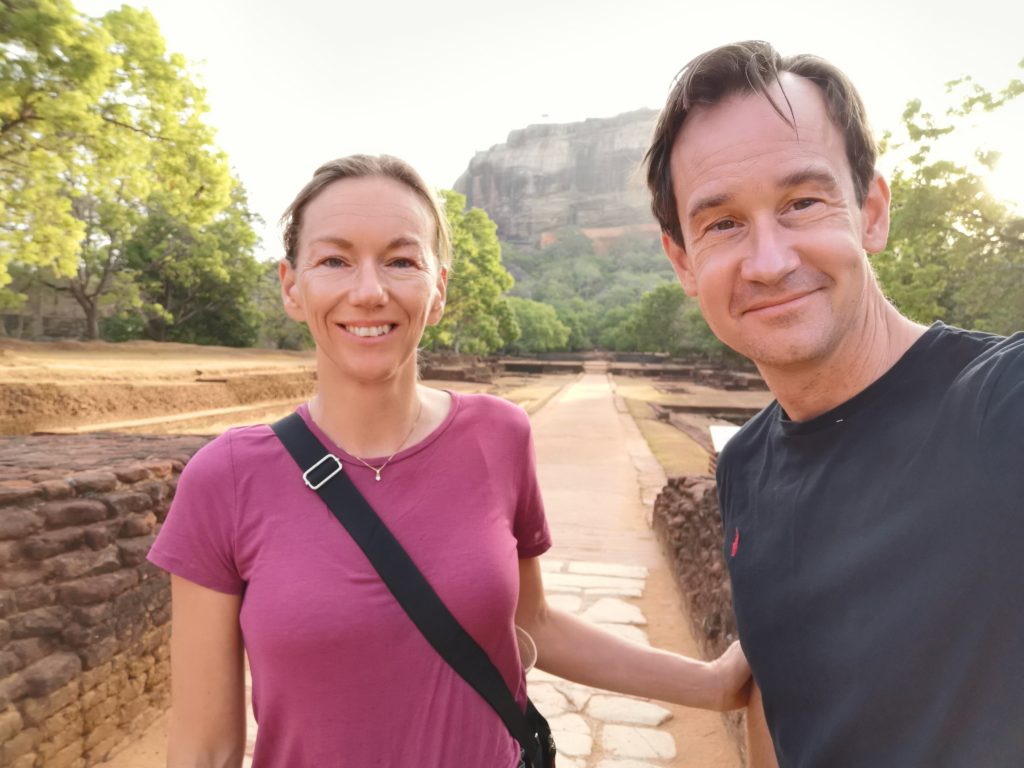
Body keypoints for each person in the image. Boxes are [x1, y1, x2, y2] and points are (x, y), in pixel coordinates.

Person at [148, 153, 750, 767]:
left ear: (437, 291)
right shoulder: (226, 478)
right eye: (334, 260)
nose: (369, 291)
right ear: (291, 287)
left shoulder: (498, 435)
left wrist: (711, 684)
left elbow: (530, 624)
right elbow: (205, 748)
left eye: (401, 261)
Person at [644, 40, 1024, 767]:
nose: (769, 260)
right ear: (683, 260)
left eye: (802, 202)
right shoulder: (747, 463)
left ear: (872, 211)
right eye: (722, 223)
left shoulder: (998, 409)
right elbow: (781, 698)